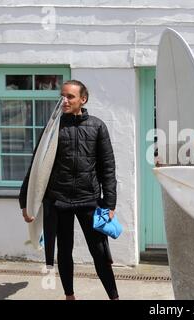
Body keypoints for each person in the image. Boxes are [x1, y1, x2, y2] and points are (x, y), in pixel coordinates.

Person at [19, 80, 119, 300]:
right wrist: (25, 201)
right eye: (62, 96)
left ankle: (114, 297)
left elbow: (108, 168)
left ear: (83, 99)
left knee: (100, 253)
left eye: (70, 97)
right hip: (59, 200)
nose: (64, 100)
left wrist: (110, 203)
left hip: (89, 200)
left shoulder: (97, 126)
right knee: (64, 252)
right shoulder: (53, 127)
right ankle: (69, 296)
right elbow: (37, 165)